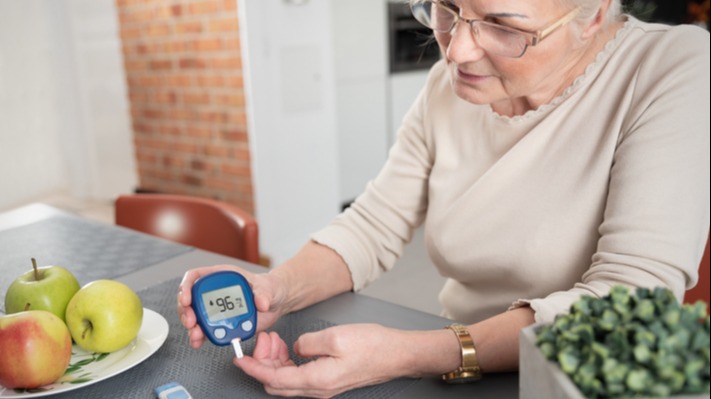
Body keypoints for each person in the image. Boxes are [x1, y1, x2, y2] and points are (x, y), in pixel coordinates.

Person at [177, 0, 710, 396]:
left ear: (591, 15)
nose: (455, 49)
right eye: (447, 8)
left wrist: (415, 354)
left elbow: (631, 301)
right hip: (458, 371)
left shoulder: (672, 67)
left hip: (583, 377)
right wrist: (277, 290)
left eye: (503, 26)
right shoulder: (444, 87)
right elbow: (373, 224)